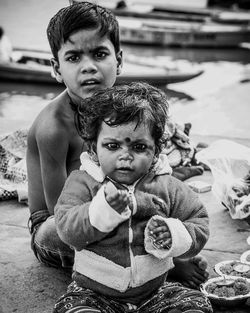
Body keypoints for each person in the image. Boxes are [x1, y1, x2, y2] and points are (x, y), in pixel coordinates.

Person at [26, 1, 208, 288]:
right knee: (53, 233)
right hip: (66, 222)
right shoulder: (53, 128)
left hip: (120, 203)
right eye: (73, 58)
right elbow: (63, 216)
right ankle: (161, 264)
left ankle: (151, 252)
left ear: (119, 61)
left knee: (172, 200)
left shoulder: (117, 109)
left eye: (99, 54)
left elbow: (147, 176)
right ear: (56, 68)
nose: (88, 67)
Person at [53, 82, 212, 313]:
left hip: (155, 290)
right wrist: (102, 211)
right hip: (94, 292)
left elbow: (199, 220)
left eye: (138, 147)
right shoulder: (82, 182)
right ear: (93, 147)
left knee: (196, 304)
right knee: (71, 308)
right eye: (112, 145)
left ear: (156, 150)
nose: (125, 156)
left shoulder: (167, 186)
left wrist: (174, 235)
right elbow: (67, 230)